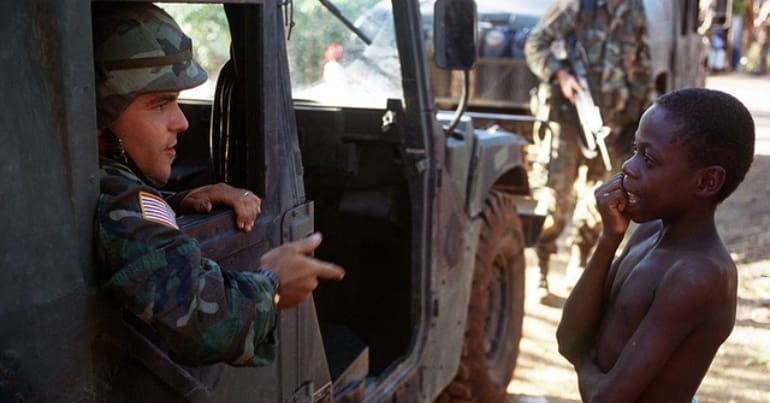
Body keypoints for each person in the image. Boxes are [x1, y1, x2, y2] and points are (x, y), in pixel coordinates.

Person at [93, 2, 344, 366]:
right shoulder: (117, 205)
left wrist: (175, 201)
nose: (181, 122)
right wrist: (272, 285)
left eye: (177, 101)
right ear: (101, 117)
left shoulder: (87, 181)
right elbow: (202, 320)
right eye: (159, 104)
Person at [557, 87, 755, 402]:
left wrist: (583, 359)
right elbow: (568, 338)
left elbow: (606, 398)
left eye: (648, 159)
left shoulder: (697, 275)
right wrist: (610, 238)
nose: (629, 167)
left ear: (706, 182)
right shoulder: (648, 232)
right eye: (635, 150)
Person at [525, 0, 653, 303]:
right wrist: (561, 75)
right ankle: (541, 268)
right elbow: (535, 43)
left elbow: (643, 68)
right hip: (568, 119)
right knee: (554, 199)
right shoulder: (578, 5)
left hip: (613, 124)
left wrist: (640, 121)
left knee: (604, 199)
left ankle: (580, 263)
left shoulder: (634, 10)